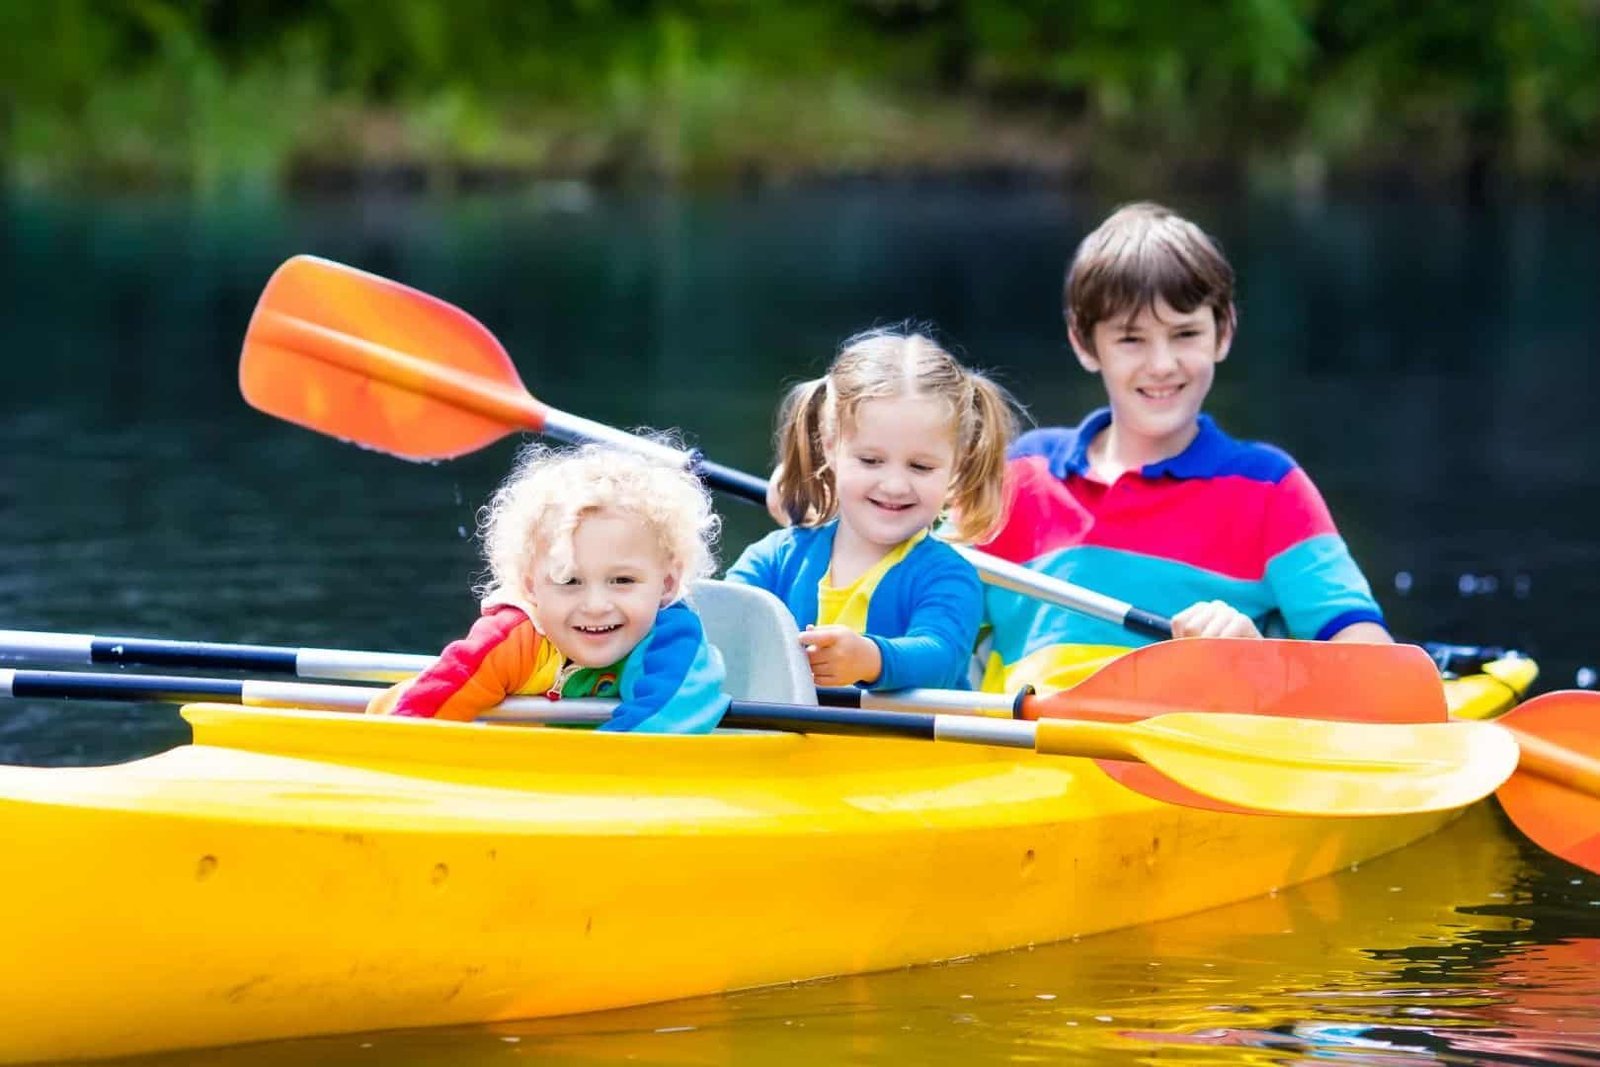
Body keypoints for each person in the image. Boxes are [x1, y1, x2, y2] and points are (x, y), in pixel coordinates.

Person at [979, 201, 1391, 695]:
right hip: (1029, 755)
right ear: (1085, 344)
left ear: (1224, 332)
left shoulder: (1271, 489)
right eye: (1131, 339)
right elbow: (925, 620)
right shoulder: (1022, 475)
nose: (1162, 364)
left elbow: (1375, 667)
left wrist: (1259, 657)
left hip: (1191, 755)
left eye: (1185, 334)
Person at [726, 326, 1019, 690]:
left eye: (921, 467)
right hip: (787, 744)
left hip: (906, 748)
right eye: (870, 460)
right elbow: (724, 620)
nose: (895, 485)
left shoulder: (947, 575)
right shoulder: (775, 558)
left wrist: (870, 659)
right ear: (830, 447)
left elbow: (940, 655)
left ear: (957, 466)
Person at [367, 441, 730, 731]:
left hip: (596, 783)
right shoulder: (513, 638)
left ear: (666, 584)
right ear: (530, 588)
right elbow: (419, 715)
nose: (596, 604)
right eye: (568, 580)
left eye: (622, 581)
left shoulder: (672, 636)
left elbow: (662, 726)